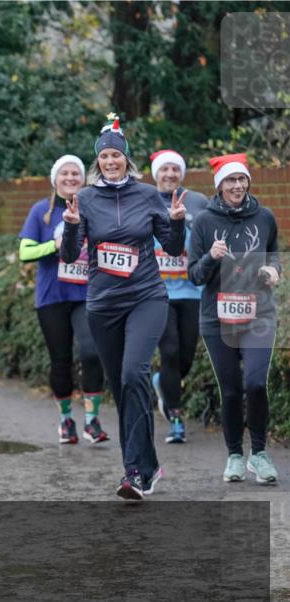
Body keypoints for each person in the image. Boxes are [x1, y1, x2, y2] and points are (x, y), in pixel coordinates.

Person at [60, 114, 187, 501]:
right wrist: (69, 226)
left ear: (126, 159)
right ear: (98, 161)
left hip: (146, 297)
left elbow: (173, 248)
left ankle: (133, 473)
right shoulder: (85, 199)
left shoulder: (148, 194)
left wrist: (177, 222)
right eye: (105, 157)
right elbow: (69, 255)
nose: (111, 161)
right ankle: (147, 468)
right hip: (103, 304)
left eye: (117, 155)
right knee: (121, 386)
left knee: (134, 374)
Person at [188, 154, 281, 484]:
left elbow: (274, 258)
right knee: (230, 391)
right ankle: (235, 457)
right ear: (219, 186)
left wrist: (273, 272)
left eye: (242, 179)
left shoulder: (265, 217)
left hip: (260, 315)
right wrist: (211, 257)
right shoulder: (203, 222)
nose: (238, 185)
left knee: (255, 384)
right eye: (231, 180)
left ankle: (259, 454)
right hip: (217, 319)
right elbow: (195, 275)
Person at [20, 155, 109, 446]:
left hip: (86, 294)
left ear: (83, 180)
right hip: (53, 296)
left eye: (76, 174)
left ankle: (92, 421)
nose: (70, 179)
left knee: (92, 352)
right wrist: (54, 245)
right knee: (60, 361)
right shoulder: (41, 212)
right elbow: (25, 252)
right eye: (65, 174)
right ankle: (65, 420)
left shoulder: (92, 210)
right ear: (55, 179)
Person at [147, 150, 210, 444]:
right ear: (155, 173)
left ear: (181, 173)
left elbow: (213, 233)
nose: (169, 174)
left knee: (184, 355)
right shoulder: (144, 200)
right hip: (156, 292)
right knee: (169, 351)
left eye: (175, 169)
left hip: (191, 290)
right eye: (164, 169)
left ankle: (162, 382)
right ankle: (176, 419)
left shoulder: (198, 201)